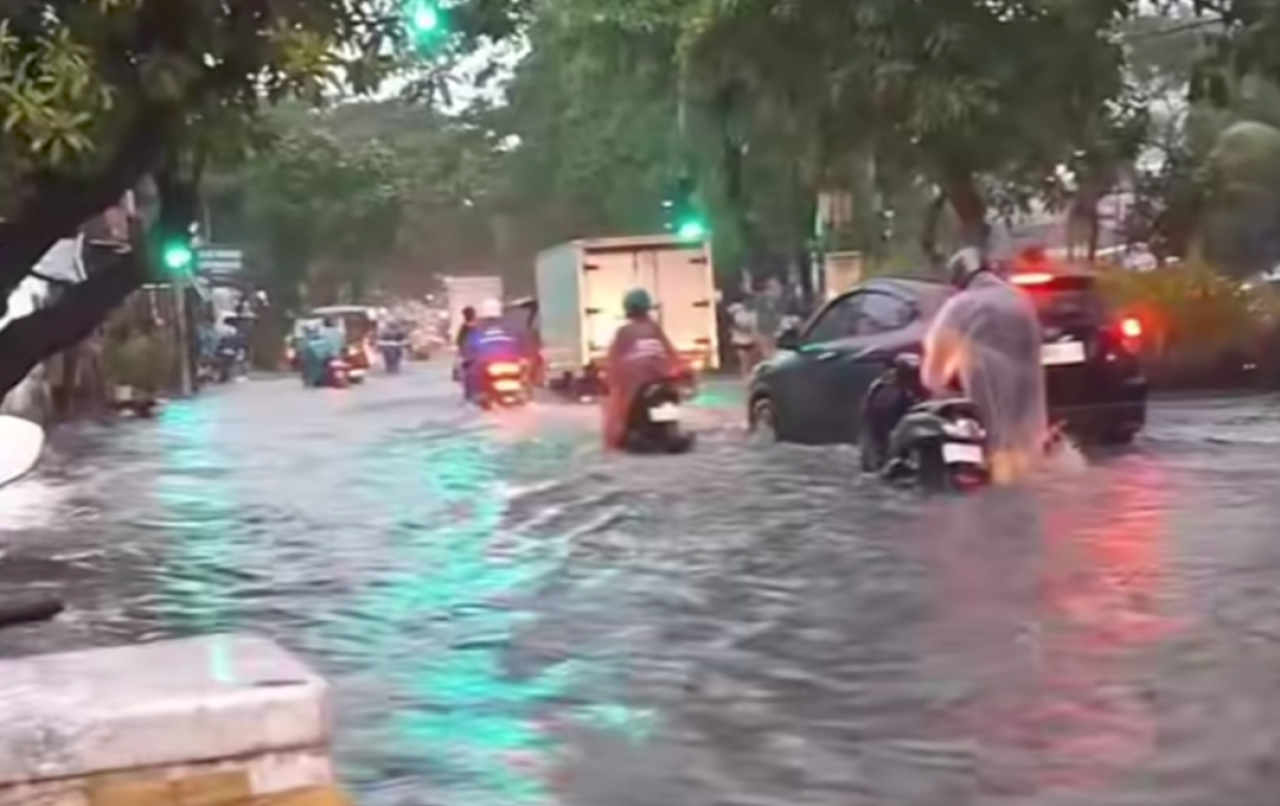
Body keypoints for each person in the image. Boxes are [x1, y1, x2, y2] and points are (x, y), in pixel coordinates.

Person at [920, 247, 1048, 485]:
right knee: (1025, 451)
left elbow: (932, 370)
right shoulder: (1019, 298)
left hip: (988, 389)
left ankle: (999, 498)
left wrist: (936, 387)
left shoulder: (961, 305)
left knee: (994, 452)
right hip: (1028, 391)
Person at [602, 288, 683, 450]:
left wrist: (610, 379)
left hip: (638, 387)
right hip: (663, 383)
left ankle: (618, 437)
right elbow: (672, 354)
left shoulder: (624, 332)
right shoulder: (655, 329)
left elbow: (613, 360)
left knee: (616, 408)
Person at [460, 299, 524, 401]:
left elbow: (469, 345)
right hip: (510, 361)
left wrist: (467, 356)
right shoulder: (510, 325)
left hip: (486, 363)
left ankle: (478, 394)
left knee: (472, 375)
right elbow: (520, 342)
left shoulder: (478, 327)